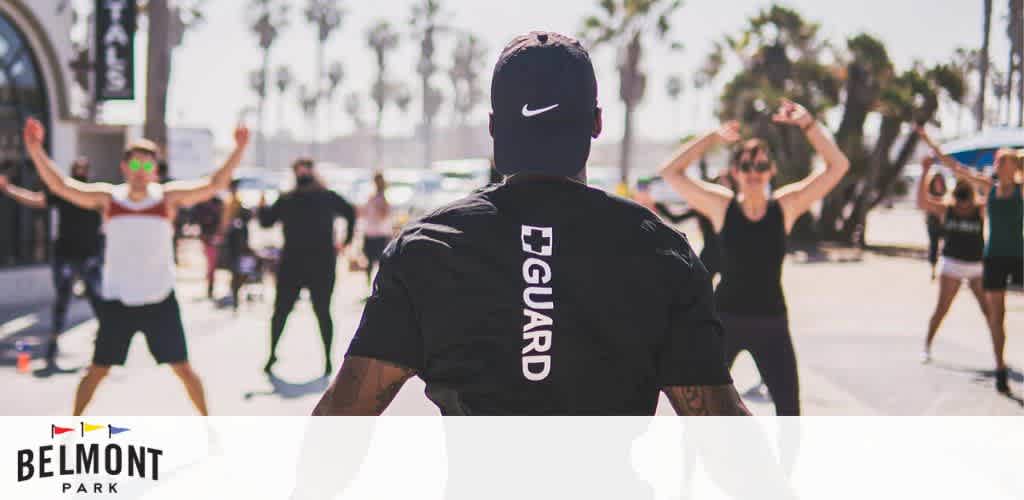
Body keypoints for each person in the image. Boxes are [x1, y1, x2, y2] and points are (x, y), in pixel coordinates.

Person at [311, 31, 750, 417]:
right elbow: (724, 439)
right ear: (597, 123)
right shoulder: (661, 251)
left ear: (493, 128)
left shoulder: (427, 249)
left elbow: (344, 418)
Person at [22, 117, 250, 415]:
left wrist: (239, 148)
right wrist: (35, 149)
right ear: (124, 168)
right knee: (97, 371)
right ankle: (70, 431)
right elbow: (61, 186)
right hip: (119, 301)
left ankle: (209, 428)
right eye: (135, 165)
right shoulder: (108, 199)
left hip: (159, 300)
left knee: (183, 369)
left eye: (146, 166)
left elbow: (214, 184)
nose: (140, 172)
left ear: (154, 170)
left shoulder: (166, 199)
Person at [659, 103, 850, 417]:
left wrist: (808, 125)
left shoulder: (785, 206)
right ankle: (697, 464)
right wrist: (711, 138)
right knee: (701, 409)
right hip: (725, 320)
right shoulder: (723, 206)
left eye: (761, 166)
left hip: (771, 321)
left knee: (790, 411)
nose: (754, 173)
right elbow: (670, 172)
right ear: (736, 172)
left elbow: (837, 166)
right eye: (746, 166)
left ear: (771, 171)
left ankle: (786, 467)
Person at [917, 126, 1022, 393]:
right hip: (993, 259)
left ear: (1013, 166)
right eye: (996, 161)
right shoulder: (989, 188)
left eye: (1002, 161)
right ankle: (1000, 368)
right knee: (997, 317)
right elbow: (954, 167)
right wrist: (929, 142)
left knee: (996, 315)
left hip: (1018, 256)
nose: (997, 164)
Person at [0, 158, 103, 371]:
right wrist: (8, 189)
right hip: (66, 255)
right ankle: (53, 345)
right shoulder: (64, 193)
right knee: (63, 300)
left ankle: (105, 346)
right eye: (77, 169)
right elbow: (36, 200)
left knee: (97, 300)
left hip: (89, 256)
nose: (81, 172)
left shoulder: (95, 195)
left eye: (84, 169)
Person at [258, 158, 356, 377]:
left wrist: (346, 240)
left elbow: (350, 211)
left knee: (321, 312)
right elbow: (266, 221)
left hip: (318, 264)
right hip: (296, 264)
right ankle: (272, 354)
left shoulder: (325, 197)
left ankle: (328, 360)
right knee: (282, 312)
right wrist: (262, 205)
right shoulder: (290, 198)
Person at [916, 157, 989, 364]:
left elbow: (991, 190)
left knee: (989, 310)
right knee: (942, 309)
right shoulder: (947, 208)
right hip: (952, 265)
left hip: (976, 266)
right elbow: (922, 202)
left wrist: (968, 174)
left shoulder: (980, 209)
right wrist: (924, 171)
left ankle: (998, 356)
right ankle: (927, 346)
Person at [359, 172, 392, 285]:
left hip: (380, 233)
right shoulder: (372, 197)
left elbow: (384, 215)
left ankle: (378, 285)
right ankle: (369, 284)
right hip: (370, 232)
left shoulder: (383, 198)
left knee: (380, 261)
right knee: (369, 261)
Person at [190, 194, 224, 299]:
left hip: (216, 237)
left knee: (213, 265)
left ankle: (211, 288)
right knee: (211, 265)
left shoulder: (217, 202)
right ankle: (210, 288)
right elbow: (195, 218)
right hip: (207, 238)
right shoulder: (201, 203)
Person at [925, 170, 948, 280]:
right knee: (934, 245)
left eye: (940, 181)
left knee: (946, 246)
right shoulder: (929, 195)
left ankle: (945, 269)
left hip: (944, 224)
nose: (938, 184)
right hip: (933, 223)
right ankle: (933, 270)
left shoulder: (946, 195)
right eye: (936, 181)